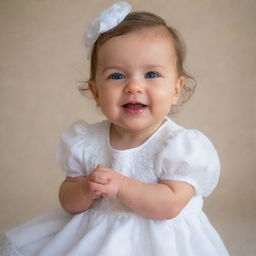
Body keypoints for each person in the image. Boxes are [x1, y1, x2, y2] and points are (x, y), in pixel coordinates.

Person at [0, 1, 229, 255]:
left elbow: (170, 205)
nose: (134, 87)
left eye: (151, 74)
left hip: (161, 241)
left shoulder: (179, 146)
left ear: (176, 88)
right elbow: (68, 201)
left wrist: (121, 186)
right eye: (117, 76)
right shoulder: (85, 141)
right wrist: (84, 189)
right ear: (96, 92)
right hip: (95, 237)